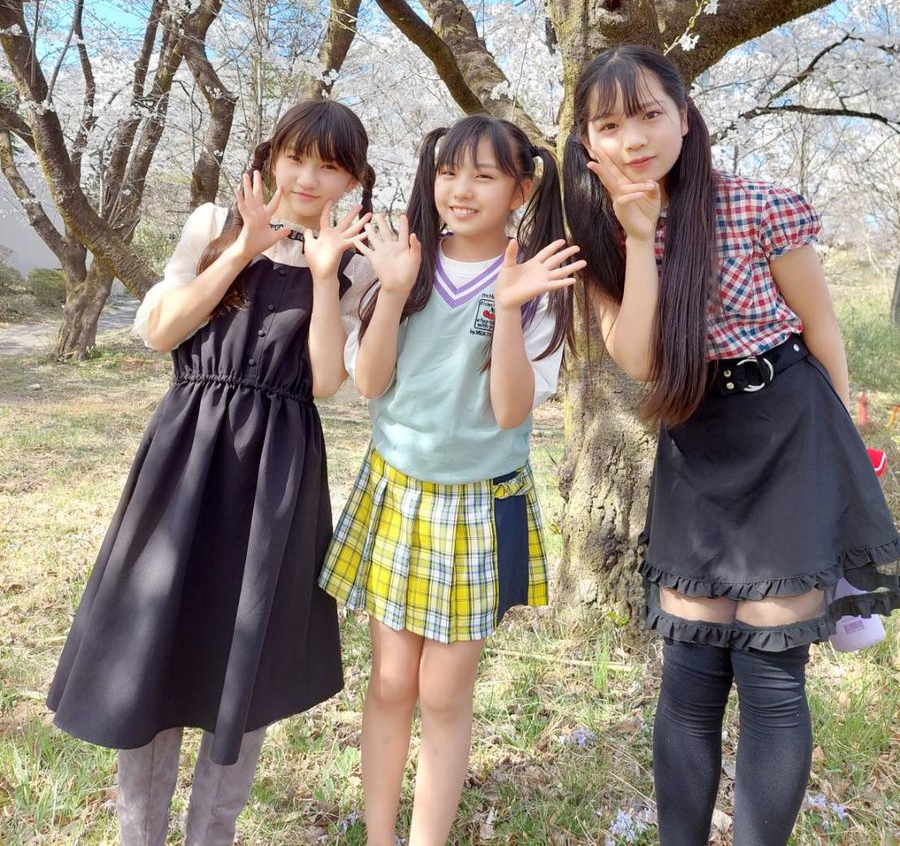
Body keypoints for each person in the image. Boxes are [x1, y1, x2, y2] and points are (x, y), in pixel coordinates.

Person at [563, 44, 900, 846]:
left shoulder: (760, 205)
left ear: (685, 117)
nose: (633, 138)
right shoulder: (596, 233)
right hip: (697, 436)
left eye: (650, 114)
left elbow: (820, 328)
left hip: (790, 426)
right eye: (609, 124)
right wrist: (638, 237)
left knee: (772, 676)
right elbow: (639, 361)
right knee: (690, 672)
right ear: (586, 141)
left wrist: (842, 452)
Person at [47, 99, 375, 846]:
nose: (308, 178)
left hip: (277, 471)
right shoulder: (210, 225)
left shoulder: (351, 264)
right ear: (271, 155)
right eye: (296, 157)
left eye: (330, 167)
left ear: (351, 180)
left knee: (246, 650)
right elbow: (162, 331)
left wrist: (326, 276)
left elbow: (328, 382)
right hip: (184, 456)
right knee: (153, 643)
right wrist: (241, 250)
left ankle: (211, 836)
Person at [319, 114, 583, 846]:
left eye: (483, 177)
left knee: (442, 693)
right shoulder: (404, 260)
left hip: (480, 501)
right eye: (447, 173)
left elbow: (511, 410)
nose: (460, 191)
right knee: (390, 682)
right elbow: (369, 383)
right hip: (398, 490)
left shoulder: (538, 281)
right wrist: (393, 289)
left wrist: (507, 307)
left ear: (520, 190)